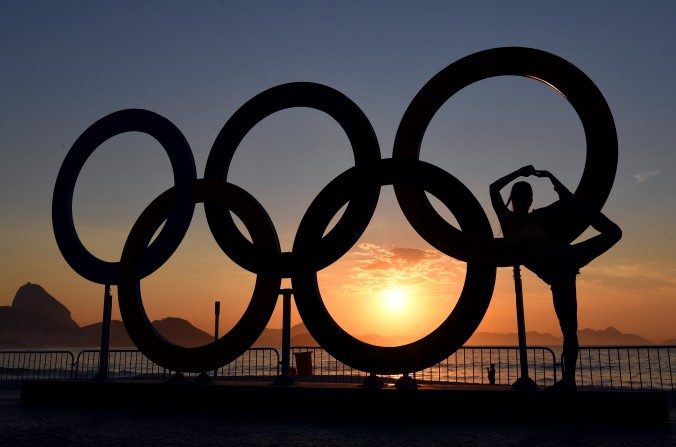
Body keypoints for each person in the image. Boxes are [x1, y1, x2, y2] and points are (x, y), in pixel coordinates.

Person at [490, 165, 622, 391]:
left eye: (529, 196)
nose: (527, 200)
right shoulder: (507, 219)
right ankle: (568, 381)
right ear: (514, 199)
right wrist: (520, 172)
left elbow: (567, 200)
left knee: (612, 232)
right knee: (569, 328)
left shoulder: (539, 216)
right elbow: (493, 189)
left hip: (564, 260)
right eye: (523, 196)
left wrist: (552, 177)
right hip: (559, 271)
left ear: (531, 200)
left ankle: (568, 381)